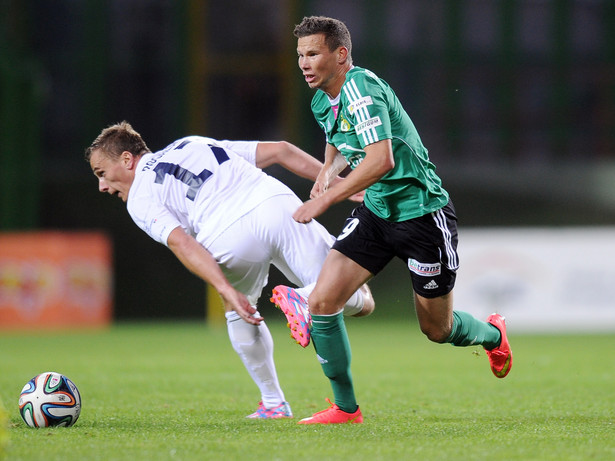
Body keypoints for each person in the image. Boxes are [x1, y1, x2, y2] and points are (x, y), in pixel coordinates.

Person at [271, 16, 512, 424]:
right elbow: (339, 135)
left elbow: (381, 159)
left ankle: (494, 334)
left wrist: (325, 197)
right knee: (323, 302)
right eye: (300, 55)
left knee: (437, 329)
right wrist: (329, 168)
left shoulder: (361, 89)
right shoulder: (320, 99)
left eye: (313, 53)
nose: (304, 63)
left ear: (340, 54)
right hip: (377, 214)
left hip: (423, 217)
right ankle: (346, 409)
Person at [85, 121, 374, 420]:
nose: (102, 186)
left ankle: (273, 402)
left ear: (127, 159)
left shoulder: (140, 198)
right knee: (358, 298)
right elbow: (281, 151)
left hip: (227, 236)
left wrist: (225, 289)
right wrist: (340, 184)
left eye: (101, 173)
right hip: (277, 204)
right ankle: (306, 297)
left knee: (239, 311)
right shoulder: (191, 143)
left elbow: (183, 243)